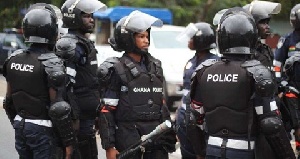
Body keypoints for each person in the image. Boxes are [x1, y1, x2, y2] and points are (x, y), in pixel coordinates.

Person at [188, 7, 295, 159]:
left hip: (212, 149)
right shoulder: (256, 72)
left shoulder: (203, 70)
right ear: (251, 37)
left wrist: (200, 153)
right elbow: (271, 124)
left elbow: (193, 119)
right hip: (244, 150)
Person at [97, 10, 177, 159]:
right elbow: (106, 111)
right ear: (128, 38)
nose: (146, 40)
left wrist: (171, 133)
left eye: (147, 36)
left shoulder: (156, 66)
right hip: (128, 138)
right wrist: (109, 146)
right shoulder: (116, 68)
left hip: (156, 137)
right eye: (141, 36)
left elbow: (162, 104)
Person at [3, 4, 75, 159]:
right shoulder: (52, 63)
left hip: (21, 125)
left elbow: (8, 101)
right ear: (52, 31)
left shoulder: (13, 58)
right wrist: (68, 142)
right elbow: (59, 109)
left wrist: (19, 123)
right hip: (43, 130)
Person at [55, 0, 107, 158]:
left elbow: (90, 82)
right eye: (86, 16)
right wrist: (74, 118)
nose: (91, 19)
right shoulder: (70, 46)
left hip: (88, 117)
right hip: (78, 121)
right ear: (74, 17)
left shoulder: (84, 43)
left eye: (91, 16)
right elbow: (65, 87)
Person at [175, 22, 220, 159]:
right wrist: (178, 116)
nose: (189, 41)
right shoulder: (191, 62)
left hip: (202, 121)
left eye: (191, 38)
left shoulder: (215, 63)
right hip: (185, 119)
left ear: (201, 40)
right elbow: (186, 92)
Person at [243, 1, 282, 158]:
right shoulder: (246, 53)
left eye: (268, 22)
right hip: (254, 118)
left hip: (270, 114)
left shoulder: (265, 50)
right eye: (262, 22)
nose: (267, 26)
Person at [273, 3, 300, 157]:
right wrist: (279, 85)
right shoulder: (287, 40)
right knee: (296, 123)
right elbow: (277, 64)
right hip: (292, 89)